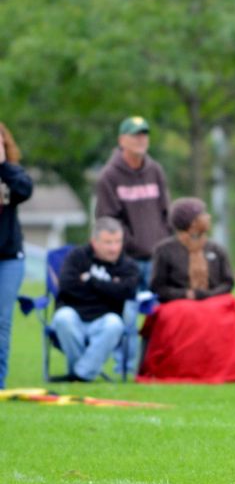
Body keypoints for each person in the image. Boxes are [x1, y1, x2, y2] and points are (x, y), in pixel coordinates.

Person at [94, 116, 172, 374]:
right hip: (127, 260)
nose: (141, 139)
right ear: (122, 140)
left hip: (157, 258)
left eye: (144, 134)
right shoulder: (109, 176)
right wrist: (133, 244)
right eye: (135, 135)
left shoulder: (155, 170)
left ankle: (154, 368)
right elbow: (108, 220)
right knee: (127, 316)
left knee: (159, 316)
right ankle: (125, 370)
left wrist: (165, 243)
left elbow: (166, 212)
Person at [139, 197, 235, 383]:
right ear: (192, 222)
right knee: (179, 314)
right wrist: (185, 294)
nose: (208, 217)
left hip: (213, 301)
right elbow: (158, 287)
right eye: (203, 214)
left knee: (228, 307)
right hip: (179, 303)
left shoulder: (216, 249)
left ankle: (228, 368)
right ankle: (176, 367)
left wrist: (207, 295)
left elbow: (228, 283)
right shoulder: (165, 250)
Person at [49, 218, 139, 382]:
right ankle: (84, 373)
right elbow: (67, 287)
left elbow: (127, 293)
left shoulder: (128, 265)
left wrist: (90, 281)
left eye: (117, 242)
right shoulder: (76, 257)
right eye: (108, 242)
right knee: (63, 317)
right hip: (75, 318)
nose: (114, 248)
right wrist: (110, 287)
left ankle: (79, 375)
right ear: (94, 242)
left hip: (104, 322)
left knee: (115, 323)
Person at [0, 123, 33, 389]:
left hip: (9, 258)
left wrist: (3, 165)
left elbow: (25, 190)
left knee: (2, 321)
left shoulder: (12, 174)